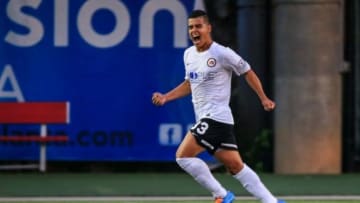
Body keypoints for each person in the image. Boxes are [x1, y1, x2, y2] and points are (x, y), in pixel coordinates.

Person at [152, 10, 286, 203]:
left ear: (208, 28)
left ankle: (221, 196)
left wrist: (263, 98)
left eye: (198, 26)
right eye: (191, 27)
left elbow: (247, 71)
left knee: (182, 156)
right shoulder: (188, 54)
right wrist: (166, 97)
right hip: (216, 121)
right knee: (235, 166)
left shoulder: (222, 53)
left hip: (215, 117)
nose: (194, 30)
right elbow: (190, 83)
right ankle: (271, 201)